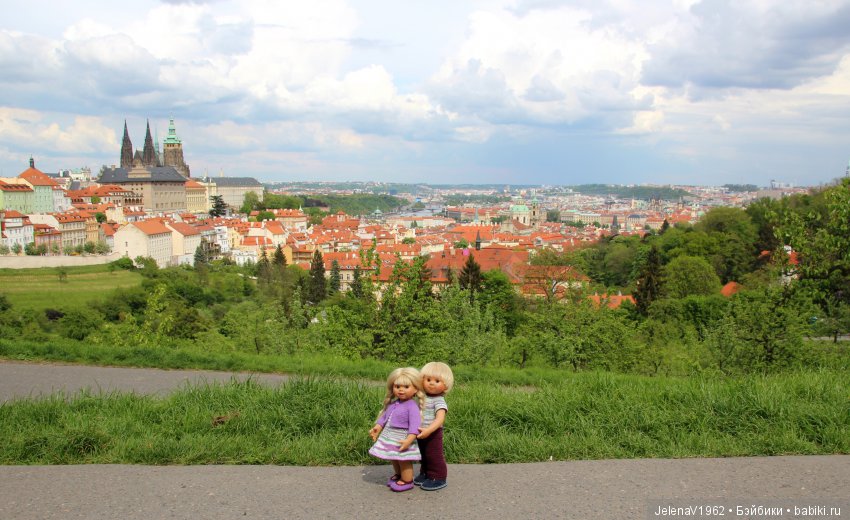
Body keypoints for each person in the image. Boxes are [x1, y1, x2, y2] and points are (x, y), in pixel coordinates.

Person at [368, 367, 424, 492]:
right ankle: (399, 475)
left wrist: (409, 440)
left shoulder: (412, 406)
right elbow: (384, 418)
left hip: (403, 438)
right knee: (394, 457)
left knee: (403, 460)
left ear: (415, 389)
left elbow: (415, 426)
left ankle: (407, 480)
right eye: (397, 386)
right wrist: (377, 427)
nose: (401, 390)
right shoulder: (393, 404)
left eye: (406, 387)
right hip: (391, 436)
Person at [414, 361, 454, 491]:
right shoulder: (423, 397)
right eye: (428, 379)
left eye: (437, 381)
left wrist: (429, 430)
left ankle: (438, 477)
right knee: (423, 454)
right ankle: (425, 473)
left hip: (433, 433)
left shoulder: (439, 400)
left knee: (433, 455)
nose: (431, 383)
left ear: (445, 385)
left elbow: (440, 419)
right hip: (421, 432)